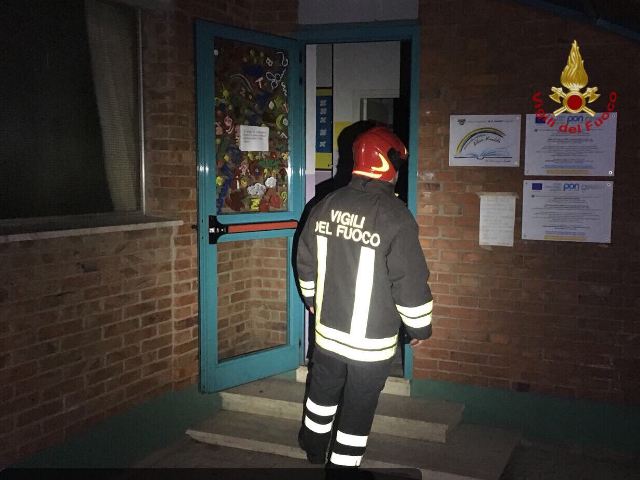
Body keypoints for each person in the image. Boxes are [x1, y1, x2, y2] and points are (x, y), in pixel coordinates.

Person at [295, 126, 433, 468]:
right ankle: (342, 467)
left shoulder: (326, 204)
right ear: (387, 162)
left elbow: (305, 261)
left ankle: (313, 447)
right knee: (358, 406)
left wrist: (311, 300)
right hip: (371, 344)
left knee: (322, 391)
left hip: (328, 332)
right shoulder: (395, 216)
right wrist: (419, 327)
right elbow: (409, 280)